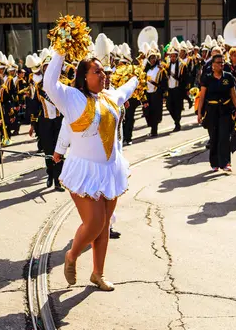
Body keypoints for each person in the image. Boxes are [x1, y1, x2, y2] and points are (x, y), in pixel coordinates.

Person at [45, 48, 138, 291]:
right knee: (95, 222)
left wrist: (137, 77)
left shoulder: (108, 97)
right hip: (84, 171)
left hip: (109, 170)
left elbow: (125, 91)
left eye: (104, 71)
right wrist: (60, 52)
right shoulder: (72, 97)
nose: (103, 75)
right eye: (97, 71)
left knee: (104, 224)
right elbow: (49, 84)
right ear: (84, 76)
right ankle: (72, 255)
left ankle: (98, 273)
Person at [198, 53, 236, 172]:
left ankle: (225, 162)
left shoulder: (228, 77)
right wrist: (199, 113)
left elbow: (234, 95)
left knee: (224, 136)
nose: (221, 65)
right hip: (212, 110)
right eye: (219, 63)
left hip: (225, 110)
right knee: (214, 136)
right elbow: (202, 96)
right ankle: (214, 163)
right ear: (213, 65)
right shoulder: (207, 78)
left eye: (222, 62)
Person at [30, 55, 64, 191]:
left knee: (59, 151)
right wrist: (33, 125)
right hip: (45, 123)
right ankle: (50, 174)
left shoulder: (62, 84)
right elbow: (34, 106)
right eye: (46, 68)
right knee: (49, 151)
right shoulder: (39, 87)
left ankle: (57, 180)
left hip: (59, 122)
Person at [143, 45, 167, 138]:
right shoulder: (145, 70)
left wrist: (164, 94)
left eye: (154, 57)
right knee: (147, 111)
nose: (153, 59)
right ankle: (152, 126)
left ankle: (154, 130)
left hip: (157, 93)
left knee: (155, 112)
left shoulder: (160, 70)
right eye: (151, 58)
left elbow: (164, 82)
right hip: (148, 93)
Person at [166, 46, 188, 132]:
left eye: (174, 56)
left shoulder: (182, 65)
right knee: (169, 106)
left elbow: (185, 78)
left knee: (178, 107)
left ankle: (177, 123)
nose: (172, 58)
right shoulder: (167, 65)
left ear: (177, 56)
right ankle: (176, 120)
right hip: (170, 89)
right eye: (171, 56)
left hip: (178, 89)